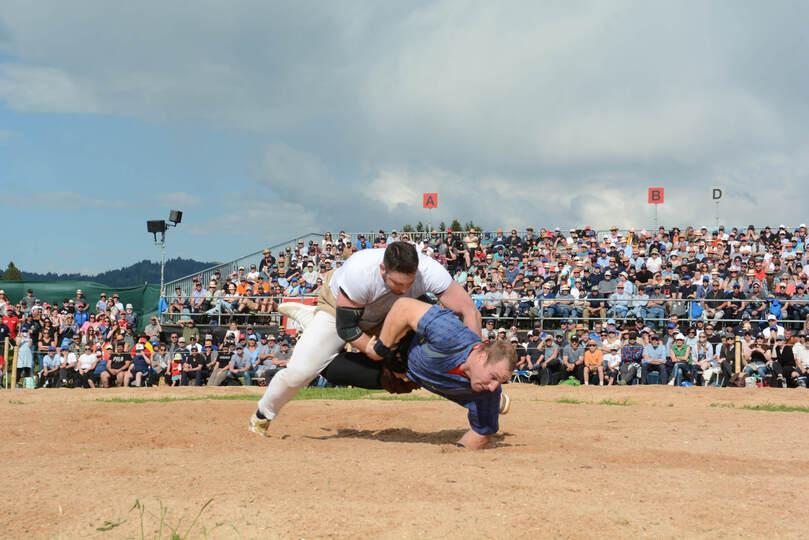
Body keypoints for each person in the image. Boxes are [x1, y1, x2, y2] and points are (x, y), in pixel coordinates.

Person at [253, 242, 482, 431]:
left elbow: (468, 311)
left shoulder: (429, 271)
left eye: (409, 284)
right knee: (300, 373)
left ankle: (476, 396)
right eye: (397, 283)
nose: (403, 288)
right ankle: (263, 414)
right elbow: (347, 327)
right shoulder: (360, 271)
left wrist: (476, 359)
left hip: (391, 314)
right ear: (383, 269)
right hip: (340, 311)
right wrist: (373, 351)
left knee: (413, 363)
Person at [298, 298, 516, 449]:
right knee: (335, 349)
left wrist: (456, 456)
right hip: (400, 343)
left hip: (410, 376)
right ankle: (320, 322)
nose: (494, 386)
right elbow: (403, 307)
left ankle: (316, 330)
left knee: (330, 370)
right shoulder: (451, 334)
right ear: (481, 355)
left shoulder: (486, 392)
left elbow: (482, 433)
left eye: (501, 382)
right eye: (494, 378)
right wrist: (384, 351)